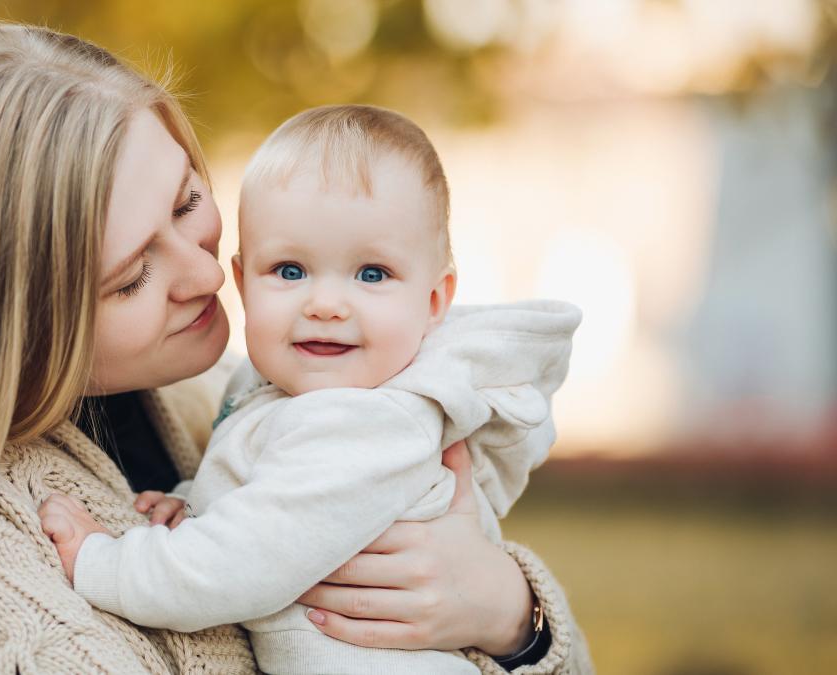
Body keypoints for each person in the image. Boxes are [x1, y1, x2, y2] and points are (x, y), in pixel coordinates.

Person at [0, 22, 593, 675]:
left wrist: (512, 616)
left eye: (189, 202)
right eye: (131, 277)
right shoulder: (5, 599)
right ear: (14, 332)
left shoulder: (230, 397)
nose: (207, 272)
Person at [38, 104, 582, 674]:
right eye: (291, 271)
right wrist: (200, 505)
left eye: (372, 274)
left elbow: (232, 567)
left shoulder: (368, 425)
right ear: (244, 283)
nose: (325, 305)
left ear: (433, 302)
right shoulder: (287, 394)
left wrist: (101, 562)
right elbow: (279, 502)